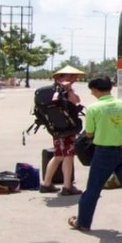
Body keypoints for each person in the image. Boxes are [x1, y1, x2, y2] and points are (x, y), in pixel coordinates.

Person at [67, 76, 122, 237]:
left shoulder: (94, 109)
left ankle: (83, 222)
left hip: (103, 153)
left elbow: (89, 133)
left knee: (93, 189)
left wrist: (104, 133)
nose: (92, 93)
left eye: (92, 90)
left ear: (95, 90)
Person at [39, 65, 85, 196]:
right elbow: (75, 101)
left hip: (56, 127)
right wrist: (69, 89)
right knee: (68, 155)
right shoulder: (64, 90)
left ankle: (46, 183)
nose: (76, 78)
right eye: (74, 76)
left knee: (58, 155)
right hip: (67, 128)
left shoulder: (52, 90)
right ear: (66, 76)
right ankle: (67, 186)